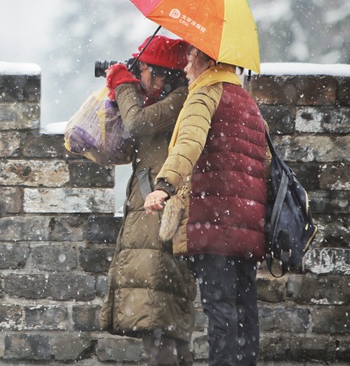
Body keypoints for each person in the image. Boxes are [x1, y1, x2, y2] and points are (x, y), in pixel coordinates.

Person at [144, 46, 269, 366]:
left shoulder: (204, 95)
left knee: (220, 309)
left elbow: (189, 144)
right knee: (244, 310)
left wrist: (164, 186)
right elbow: (264, 162)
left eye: (190, 57)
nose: (185, 65)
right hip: (247, 223)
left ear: (209, 60)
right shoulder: (248, 103)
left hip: (212, 218)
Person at [99, 35, 197, 366]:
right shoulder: (165, 101)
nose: (139, 76)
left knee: (158, 321)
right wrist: (123, 92)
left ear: (163, 75)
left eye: (143, 70)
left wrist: (124, 86)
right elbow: (119, 148)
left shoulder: (181, 99)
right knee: (159, 323)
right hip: (148, 220)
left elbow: (137, 124)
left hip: (160, 219)